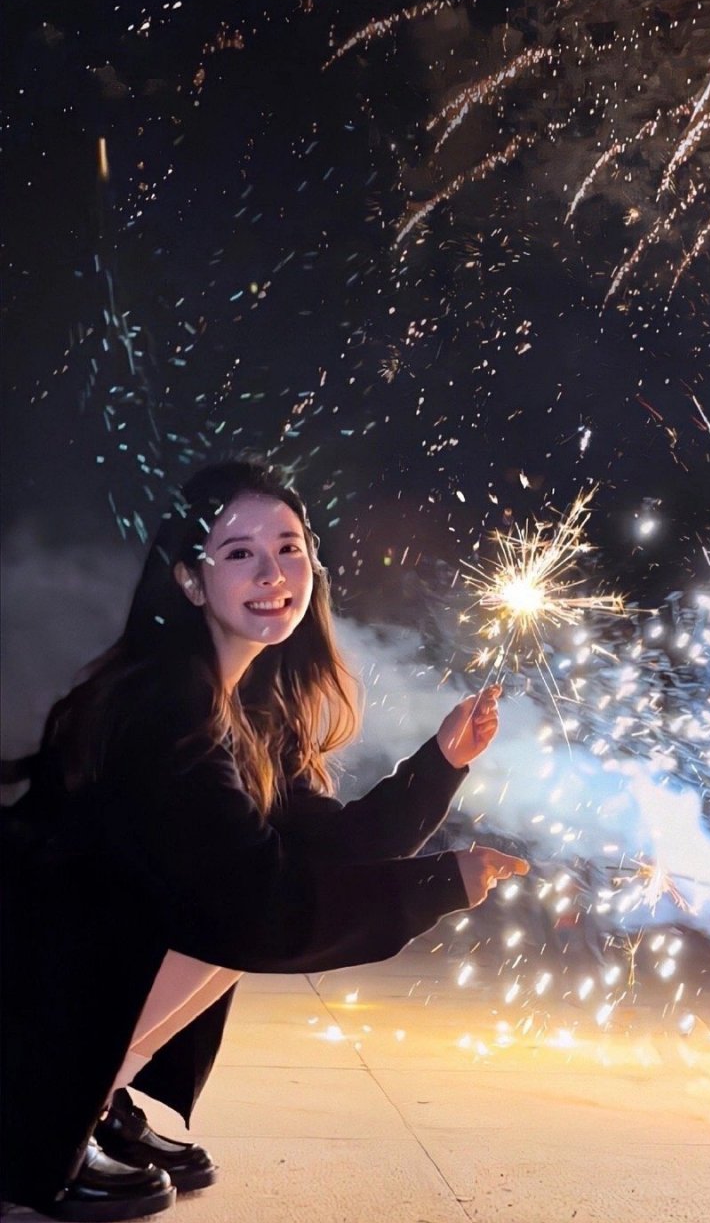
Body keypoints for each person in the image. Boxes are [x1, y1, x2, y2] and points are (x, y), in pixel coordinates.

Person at [0, 458, 527, 1221]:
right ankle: (43, 1112)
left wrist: (441, 762)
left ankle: (95, 1092)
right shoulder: (165, 711)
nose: (272, 571)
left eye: (288, 547)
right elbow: (259, 910)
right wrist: (443, 885)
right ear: (190, 580)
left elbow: (324, 848)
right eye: (239, 551)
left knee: (229, 898)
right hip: (27, 977)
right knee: (225, 913)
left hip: (67, 967)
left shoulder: (244, 701)